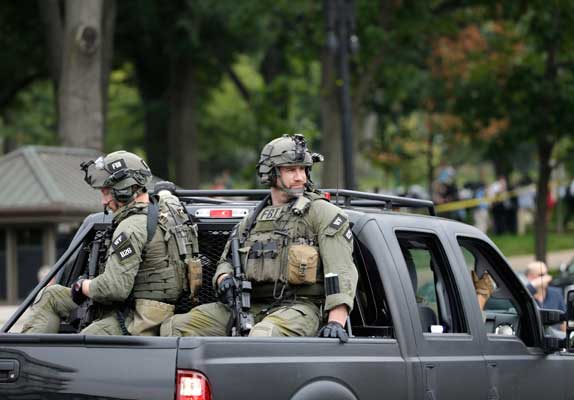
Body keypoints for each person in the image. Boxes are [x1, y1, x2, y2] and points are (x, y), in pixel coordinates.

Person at [161, 134, 358, 342]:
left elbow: (341, 271)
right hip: (249, 305)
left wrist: (336, 321)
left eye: (303, 169)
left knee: (263, 335)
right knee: (174, 327)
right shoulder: (252, 220)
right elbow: (226, 261)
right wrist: (224, 279)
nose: (300, 177)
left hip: (301, 307)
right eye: (291, 170)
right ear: (271, 173)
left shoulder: (322, 213)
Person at [21, 151, 188, 336]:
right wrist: (166, 191)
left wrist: (82, 286)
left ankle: (30, 358)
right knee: (52, 295)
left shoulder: (130, 228)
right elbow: (168, 197)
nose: (104, 201)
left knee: (83, 343)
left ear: (124, 190)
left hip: (137, 318)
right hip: (155, 310)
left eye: (107, 192)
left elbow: (114, 288)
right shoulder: (168, 209)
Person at [526, 260, 566, 331]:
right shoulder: (527, 295)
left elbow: (564, 321)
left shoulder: (556, 293)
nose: (547, 278)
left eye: (547, 274)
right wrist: (533, 285)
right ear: (530, 277)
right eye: (541, 275)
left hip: (556, 338)